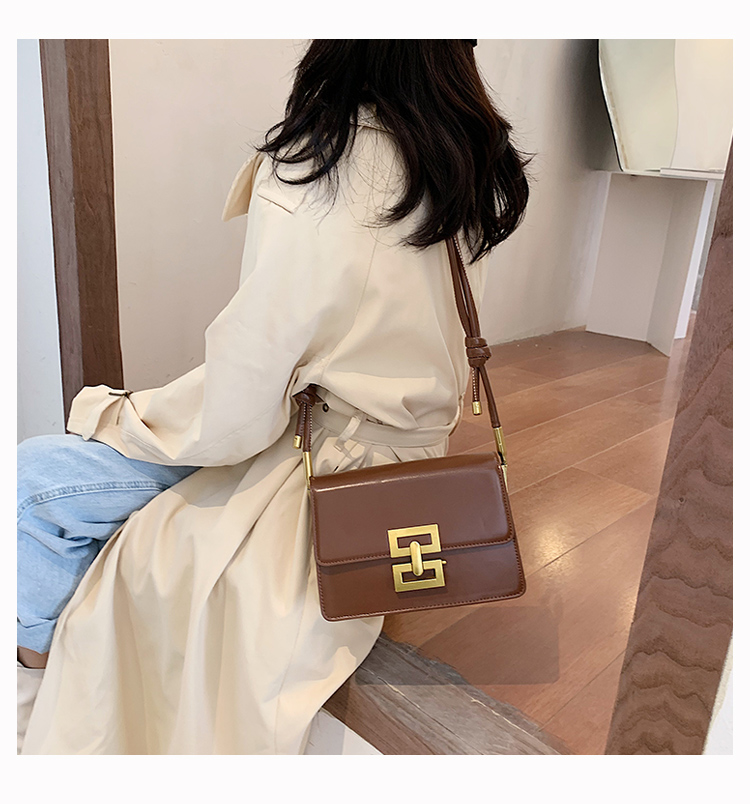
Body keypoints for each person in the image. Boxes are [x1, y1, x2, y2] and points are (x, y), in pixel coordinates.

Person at [18, 39, 530, 754]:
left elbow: (241, 402)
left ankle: (31, 710)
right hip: (408, 469)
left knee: (31, 487)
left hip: (315, 460)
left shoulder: (329, 160)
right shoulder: (463, 160)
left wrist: (119, 414)